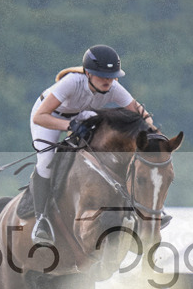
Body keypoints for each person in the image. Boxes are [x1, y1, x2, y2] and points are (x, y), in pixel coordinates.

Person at [29, 44, 155, 245]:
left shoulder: (114, 88)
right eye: (102, 75)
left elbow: (142, 114)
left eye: (112, 75)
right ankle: (41, 219)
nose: (109, 80)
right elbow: (40, 117)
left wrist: (152, 138)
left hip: (81, 115)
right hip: (50, 116)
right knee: (45, 160)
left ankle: (138, 208)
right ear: (88, 73)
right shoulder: (71, 83)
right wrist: (70, 125)